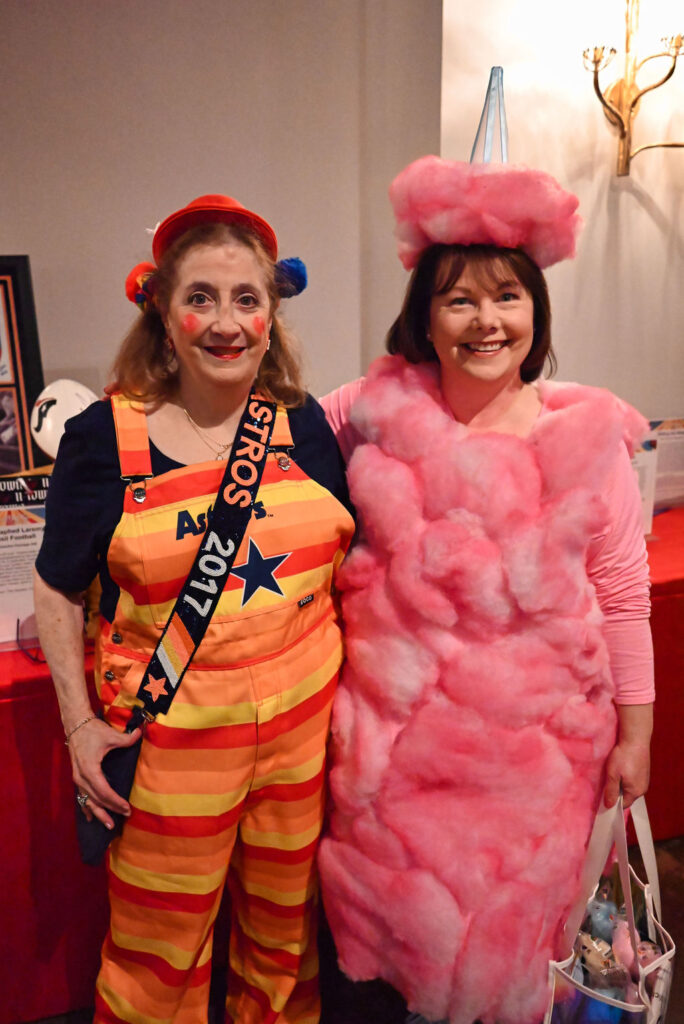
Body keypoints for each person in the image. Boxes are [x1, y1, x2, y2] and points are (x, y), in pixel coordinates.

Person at [317, 156, 654, 1024]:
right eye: (459, 298)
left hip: (537, 773)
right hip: (393, 766)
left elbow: (622, 592)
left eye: (507, 296)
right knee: (390, 962)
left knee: (512, 971)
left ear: (535, 312)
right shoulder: (368, 411)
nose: (485, 320)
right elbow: (261, 462)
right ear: (425, 316)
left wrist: (638, 732)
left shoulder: (584, 440)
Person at [33, 193, 355, 1024]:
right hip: (171, 747)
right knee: (156, 963)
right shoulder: (104, 438)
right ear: (163, 315)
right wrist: (79, 729)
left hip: (300, 741)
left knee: (285, 949)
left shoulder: (306, 425)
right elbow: (59, 585)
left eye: (246, 299)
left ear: (271, 314)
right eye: (200, 299)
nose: (225, 322)